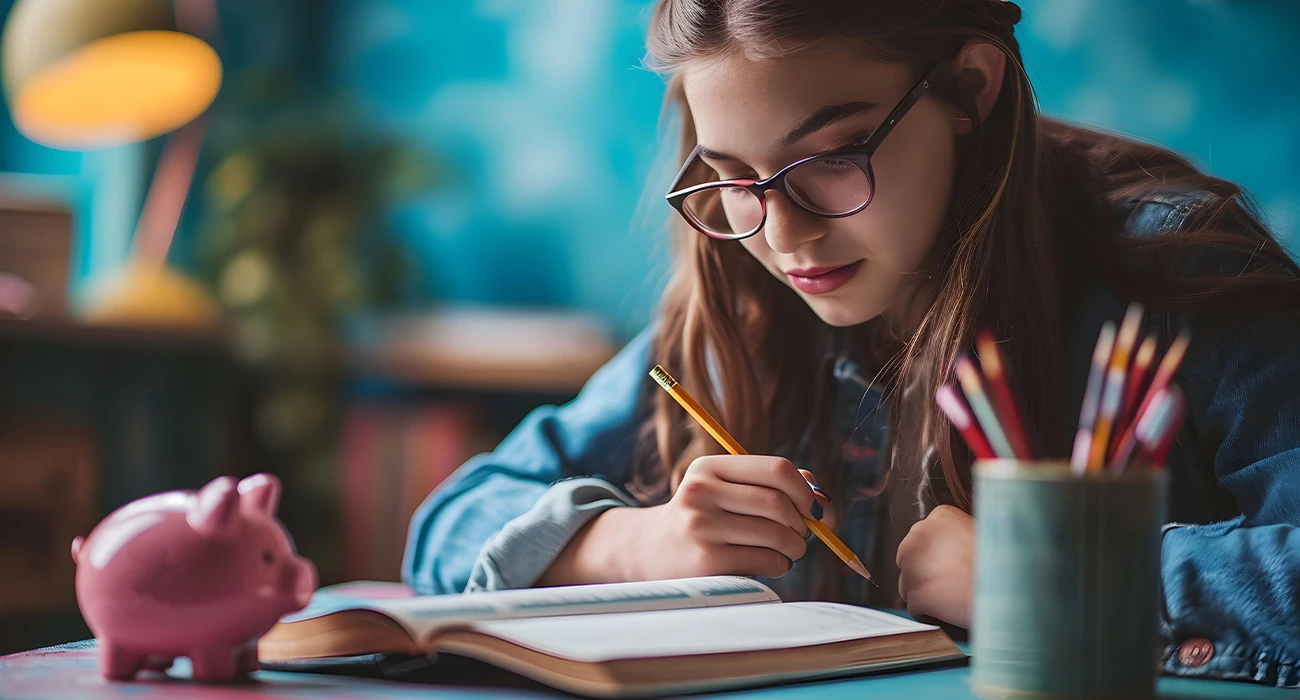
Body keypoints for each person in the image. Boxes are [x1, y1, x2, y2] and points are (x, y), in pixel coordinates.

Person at [403, 0, 1300, 686]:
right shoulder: (741, 310)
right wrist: (641, 548)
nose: (783, 237)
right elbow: (448, 524)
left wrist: (1047, 578)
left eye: (831, 157)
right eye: (732, 177)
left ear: (971, 87)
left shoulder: (1172, 269)